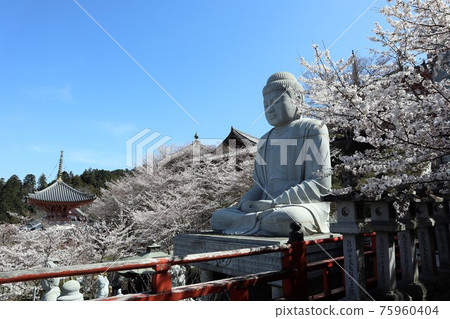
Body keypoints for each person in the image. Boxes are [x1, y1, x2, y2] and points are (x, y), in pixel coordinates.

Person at [210, 72, 331, 236]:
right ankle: (259, 221)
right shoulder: (264, 141)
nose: (270, 109)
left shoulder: (313, 129)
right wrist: (246, 202)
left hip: (302, 206)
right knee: (218, 218)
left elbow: (320, 184)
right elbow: (258, 187)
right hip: (264, 208)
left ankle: (259, 222)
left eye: (276, 101)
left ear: (298, 100)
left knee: (287, 219)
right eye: (265, 104)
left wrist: (276, 202)